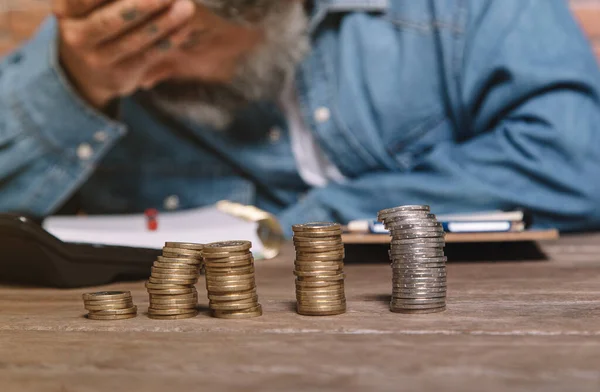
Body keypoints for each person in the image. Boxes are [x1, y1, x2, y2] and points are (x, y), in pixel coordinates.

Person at [0, 0, 599, 237]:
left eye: (168, 42)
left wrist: (323, 218)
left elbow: (580, 162)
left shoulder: (464, 9)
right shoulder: (95, 41)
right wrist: (75, 85)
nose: (143, 76)